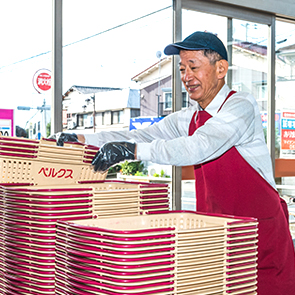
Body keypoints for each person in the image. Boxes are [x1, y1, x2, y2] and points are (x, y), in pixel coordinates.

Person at [52, 31, 295, 294]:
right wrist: (81, 137)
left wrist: (132, 151)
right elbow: (140, 134)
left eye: (194, 67)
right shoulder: (188, 117)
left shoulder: (240, 106)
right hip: (216, 234)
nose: (186, 77)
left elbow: (199, 146)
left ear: (221, 69)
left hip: (260, 234)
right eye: (182, 69)